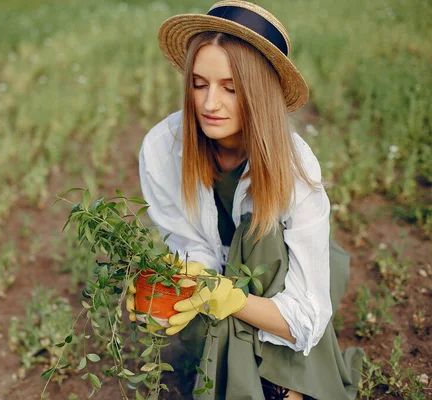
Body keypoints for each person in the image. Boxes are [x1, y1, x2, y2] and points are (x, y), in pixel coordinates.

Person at [127, 1, 364, 399]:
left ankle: (282, 385)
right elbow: (190, 247)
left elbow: (306, 318)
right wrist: (176, 284)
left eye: (231, 88)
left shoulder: (295, 166)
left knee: (262, 237)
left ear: (258, 93)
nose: (209, 104)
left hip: (279, 275)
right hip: (225, 280)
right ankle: (277, 383)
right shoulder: (161, 148)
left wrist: (230, 298)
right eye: (199, 84)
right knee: (212, 310)